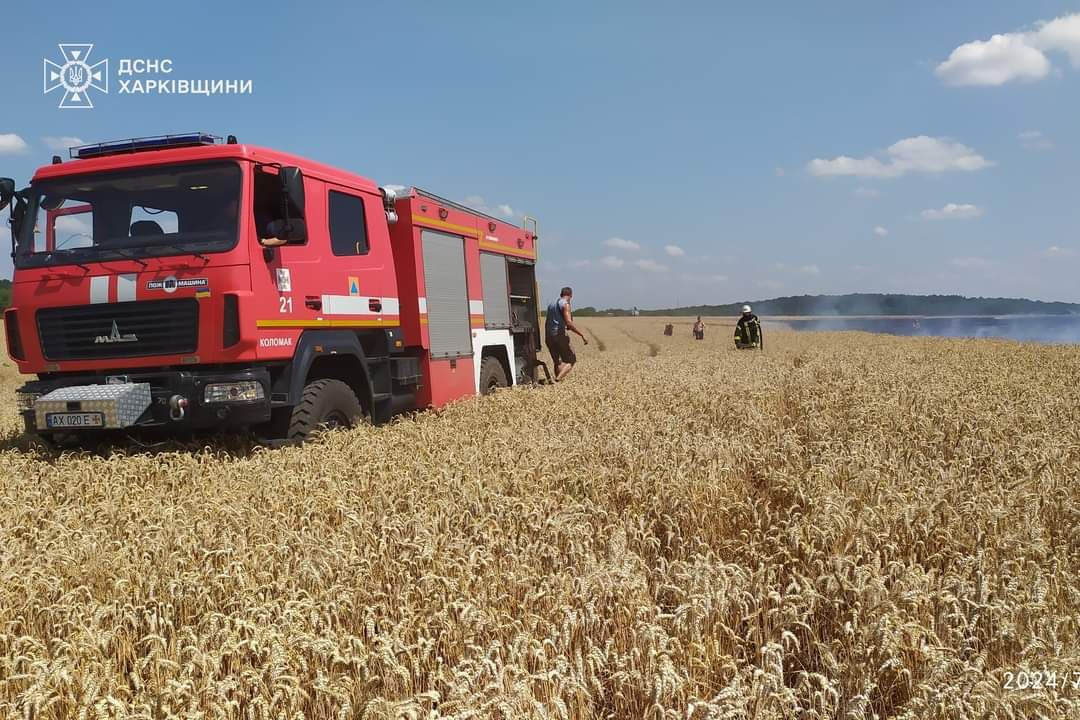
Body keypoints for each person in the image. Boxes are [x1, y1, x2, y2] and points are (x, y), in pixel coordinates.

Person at [545, 286, 588, 381]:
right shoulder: (565, 305)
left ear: (561, 294)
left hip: (548, 336)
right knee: (571, 360)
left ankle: (557, 384)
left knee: (557, 361)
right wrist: (582, 334)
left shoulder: (551, 304)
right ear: (570, 295)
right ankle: (557, 379)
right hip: (559, 335)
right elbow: (569, 323)